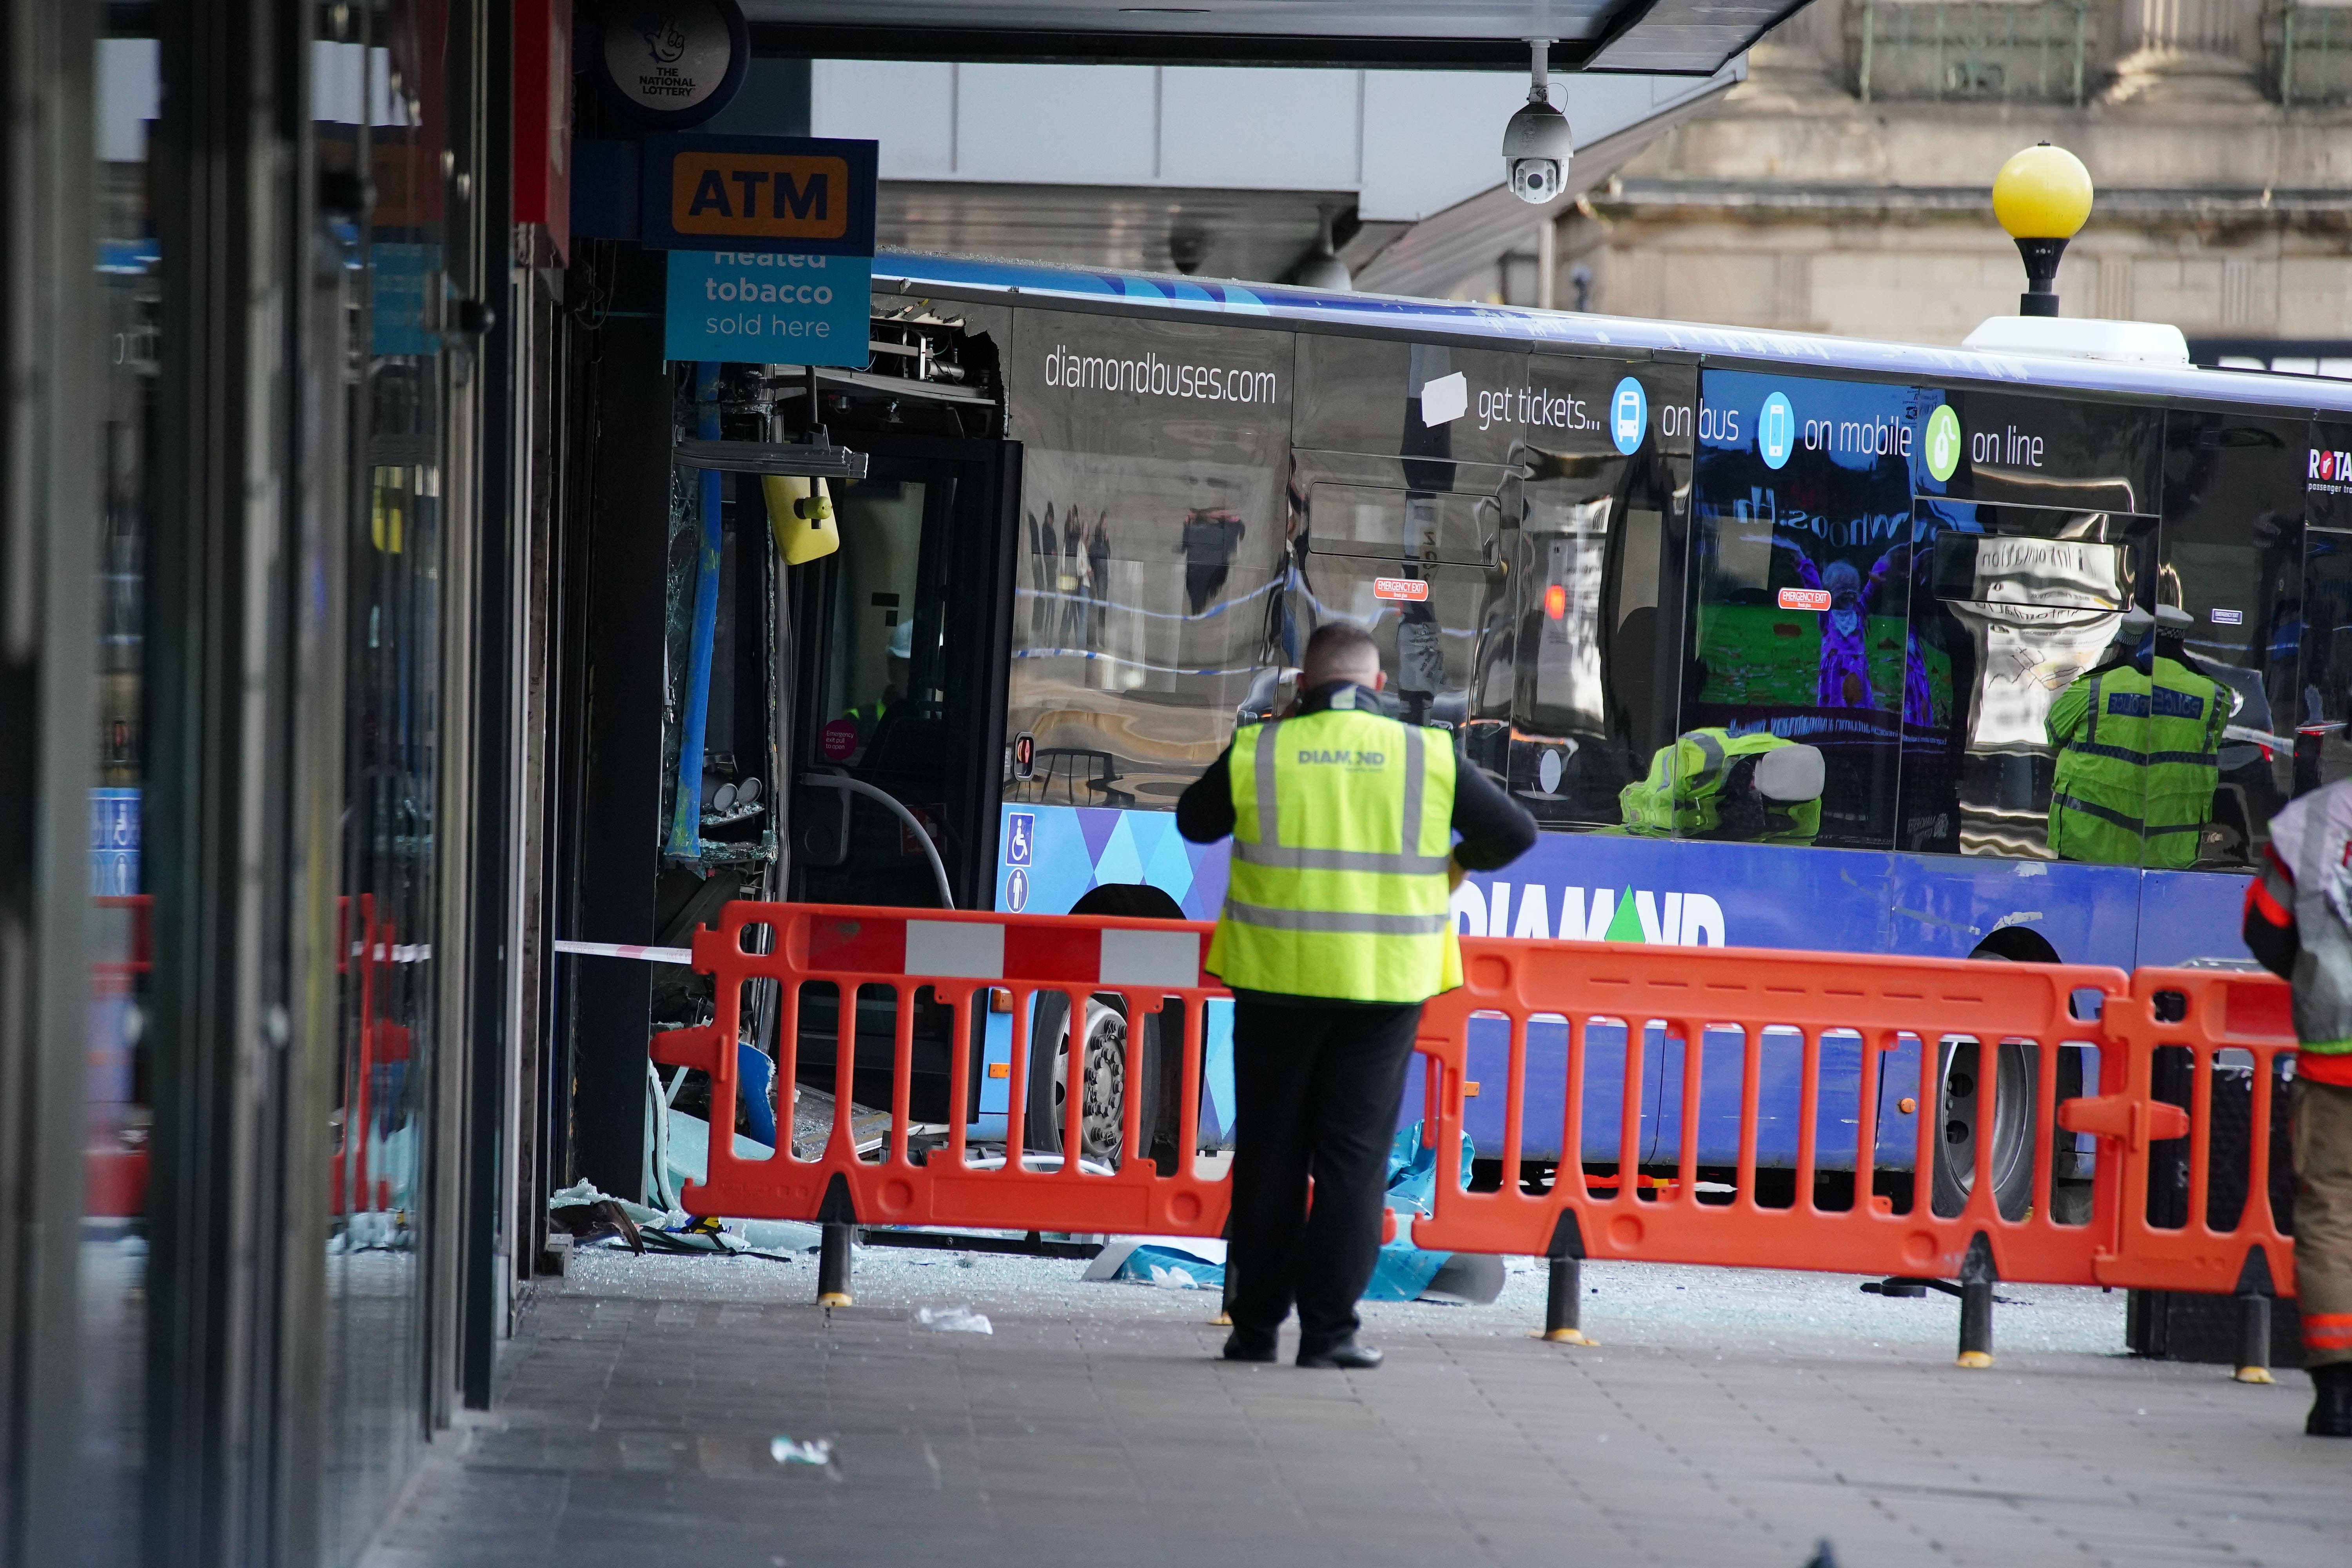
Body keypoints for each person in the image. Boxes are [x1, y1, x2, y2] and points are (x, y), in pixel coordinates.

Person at [1176, 623, 1537, 1368]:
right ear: (1378, 688)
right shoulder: (1425, 754)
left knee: (1272, 1157)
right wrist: (1454, 865)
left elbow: (1193, 820)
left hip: (1275, 981)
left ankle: (1253, 1332)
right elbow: (1514, 833)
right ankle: (1330, 1336)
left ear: (1302, 688)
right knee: (1353, 1162)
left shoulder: (1263, 749)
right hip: (1383, 987)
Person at [2239, 778, 2352, 1437]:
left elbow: (2266, 928)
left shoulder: (2315, 823)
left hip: (2335, 1057)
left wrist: (2317, 975)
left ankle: (2338, 1394)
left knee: (2333, 1216)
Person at [2045, 605, 2228, 867]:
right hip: (2167, 851)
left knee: (2077, 907)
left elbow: (2054, 732)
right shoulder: (2214, 695)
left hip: (2089, 842)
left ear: (2121, 644)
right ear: (2182, 642)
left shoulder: (2096, 687)